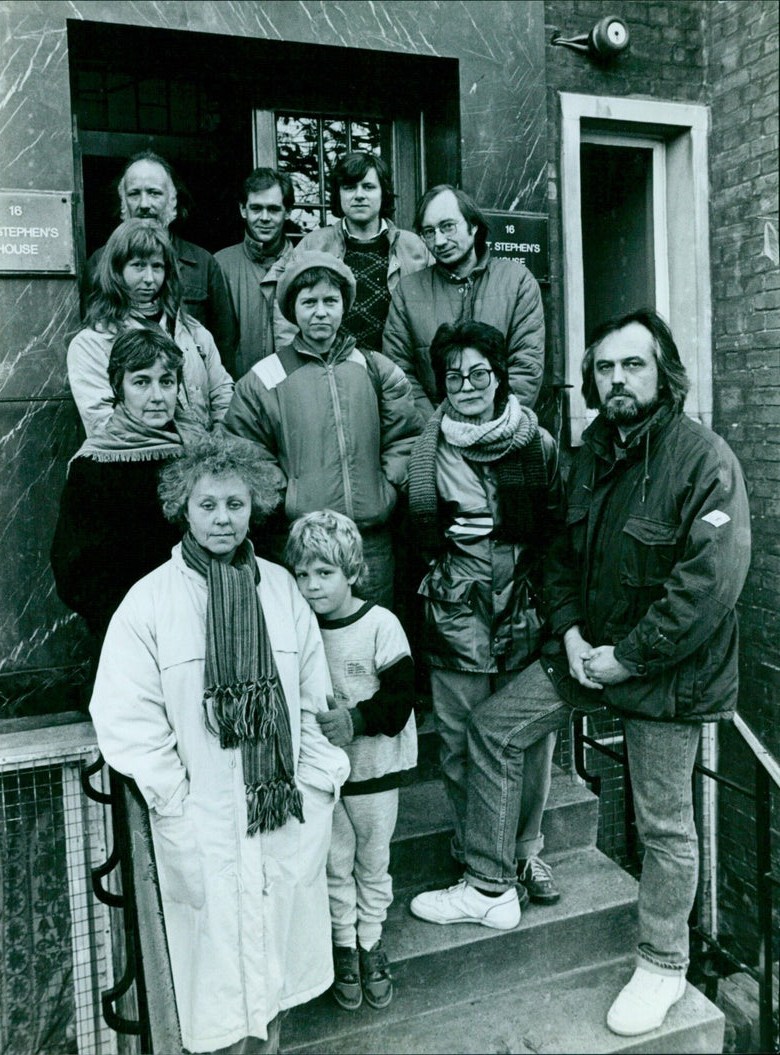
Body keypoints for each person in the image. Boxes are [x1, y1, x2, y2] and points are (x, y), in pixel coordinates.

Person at [409, 310, 751, 1039]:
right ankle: (490, 882)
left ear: (664, 372)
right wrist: (566, 633)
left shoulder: (705, 458)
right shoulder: (588, 452)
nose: (616, 379)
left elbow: (709, 585)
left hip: (664, 674)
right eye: (604, 367)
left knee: (664, 823)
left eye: (632, 364)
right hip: (584, 654)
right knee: (494, 731)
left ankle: (662, 963)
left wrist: (627, 656)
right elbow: (559, 554)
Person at [89, 439, 350, 1055]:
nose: (223, 518)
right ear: (185, 508)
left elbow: (314, 697)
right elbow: (126, 716)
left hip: (279, 814)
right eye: (208, 504)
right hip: (200, 824)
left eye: (235, 503)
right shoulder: (149, 602)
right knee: (212, 1002)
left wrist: (316, 782)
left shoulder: (283, 590)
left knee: (272, 990)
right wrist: (175, 800)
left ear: (253, 506)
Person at [406, 320, 565, 919]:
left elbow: (555, 530)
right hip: (456, 615)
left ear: (500, 378)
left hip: (522, 612)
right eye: (455, 375)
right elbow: (411, 534)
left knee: (529, 742)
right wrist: (439, 530)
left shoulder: (536, 444)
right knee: (457, 744)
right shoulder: (428, 448)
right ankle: (475, 848)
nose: (467, 385)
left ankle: (524, 851)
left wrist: (504, 530)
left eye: (479, 373)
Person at [224, 250, 423, 607]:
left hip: (370, 542)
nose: (320, 311)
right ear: (292, 309)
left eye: (330, 300)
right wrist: (286, 493)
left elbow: (406, 435)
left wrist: (387, 486)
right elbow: (243, 442)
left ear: (344, 306)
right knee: (308, 641)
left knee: (369, 632)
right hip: (303, 542)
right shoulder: (266, 377)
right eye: (309, 301)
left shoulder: (374, 368)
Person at [286, 510, 417, 1013]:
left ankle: (370, 942)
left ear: (353, 573)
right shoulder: (299, 629)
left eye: (325, 573)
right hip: (321, 776)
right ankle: (343, 945)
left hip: (374, 770)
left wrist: (358, 721)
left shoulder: (380, 624)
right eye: (302, 574)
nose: (312, 586)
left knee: (372, 859)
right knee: (334, 861)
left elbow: (402, 695)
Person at [52, 328, 207, 640]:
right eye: (141, 382)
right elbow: (74, 573)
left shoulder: (201, 451)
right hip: (128, 630)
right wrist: (135, 618)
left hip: (201, 621)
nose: (157, 396)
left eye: (166, 381)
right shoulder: (95, 467)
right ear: (118, 387)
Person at [382, 184, 545, 419]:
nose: (438, 241)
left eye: (448, 227)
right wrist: (439, 427)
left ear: (473, 225)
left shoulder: (517, 281)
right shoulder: (408, 291)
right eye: (429, 232)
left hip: (503, 433)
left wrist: (493, 424)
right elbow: (398, 371)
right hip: (435, 437)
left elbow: (527, 366)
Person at [67, 218, 233, 436]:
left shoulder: (193, 332)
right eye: (138, 266)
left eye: (157, 267)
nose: (149, 278)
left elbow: (222, 392)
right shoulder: (93, 343)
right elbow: (103, 424)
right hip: (137, 463)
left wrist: (220, 436)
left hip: (203, 461)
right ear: (116, 270)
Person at [83, 150, 238, 366]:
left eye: (154, 193)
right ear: (122, 202)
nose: (144, 204)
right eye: (134, 194)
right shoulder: (99, 263)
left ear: (172, 201)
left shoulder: (204, 264)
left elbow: (225, 345)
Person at [298, 152, 430, 352]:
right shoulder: (313, 245)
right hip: (329, 371)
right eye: (350, 187)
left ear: (382, 193)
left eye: (368, 187)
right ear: (339, 194)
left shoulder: (414, 247)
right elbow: (288, 315)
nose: (359, 195)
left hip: (397, 371)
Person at [214, 168, 297, 379]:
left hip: (292, 391)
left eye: (274, 209)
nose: (265, 217)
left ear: (287, 211)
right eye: (256, 208)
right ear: (243, 210)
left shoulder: (302, 264)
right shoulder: (220, 264)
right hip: (236, 390)